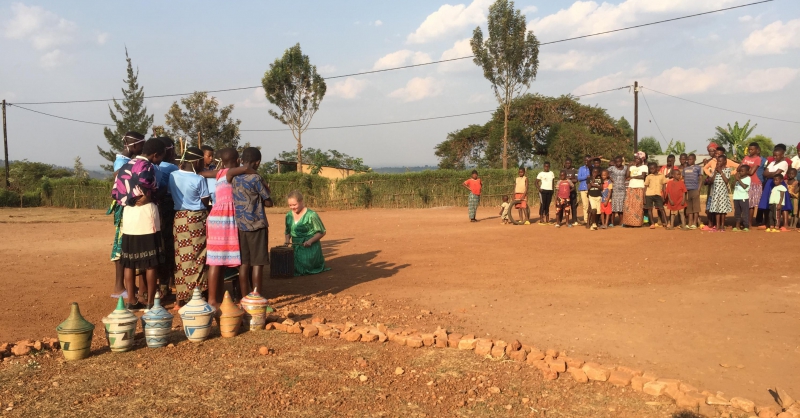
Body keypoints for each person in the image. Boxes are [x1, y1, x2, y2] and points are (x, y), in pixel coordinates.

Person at [111, 137, 166, 311]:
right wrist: (151, 196)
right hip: (146, 215)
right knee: (150, 261)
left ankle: (131, 301)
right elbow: (150, 189)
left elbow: (115, 192)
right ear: (155, 155)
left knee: (129, 261)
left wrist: (130, 200)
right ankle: (150, 302)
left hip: (129, 215)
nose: (161, 160)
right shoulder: (148, 167)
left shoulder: (124, 167)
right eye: (162, 156)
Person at [202, 148, 257, 306]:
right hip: (226, 218)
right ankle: (223, 299)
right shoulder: (231, 172)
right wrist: (258, 176)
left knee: (216, 260)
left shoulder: (219, 173)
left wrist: (198, 171)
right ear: (237, 159)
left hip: (215, 217)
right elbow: (247, 168)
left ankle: (215, 298)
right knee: (227, 259)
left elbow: (204, 173)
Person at [168, 147, 211, 306]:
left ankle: (182, 293)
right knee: (198, 256)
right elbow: (205, 201)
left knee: (181, 256)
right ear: (197, 161)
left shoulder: (172, 176)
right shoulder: (198, 179)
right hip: (196, 219)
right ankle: (196, 293)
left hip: (179, 218)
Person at [231, 147, 273, 295]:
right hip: (257, 225)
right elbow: (268, 202)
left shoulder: (235, 178)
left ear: (242, 160)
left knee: (244, 264)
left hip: (241, 226)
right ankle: (256, 298)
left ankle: (244, 298)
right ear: (257, 163)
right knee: (258, 264)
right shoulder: (256, 178)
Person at [107, 132, 145, 299]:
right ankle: (118, 286)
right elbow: (120, 177)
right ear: (135, 146)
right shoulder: (122, 162)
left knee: (125, 244)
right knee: (122, 243)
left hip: (125, 205)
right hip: (124, 208)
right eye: (142, 146)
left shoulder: (123, 160)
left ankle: (125, 285)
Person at [285, 190, 330, 276]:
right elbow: (287, 231)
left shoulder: (311, 215)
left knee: (302, 267)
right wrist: (287, 240)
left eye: (294, 205)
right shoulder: (288, 215)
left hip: (310, 247)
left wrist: (310, 241)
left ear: (301, 202)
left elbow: (322, 232)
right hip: (295, 247)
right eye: (290, 205)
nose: (292, 207)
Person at [156, 137, 179, 298]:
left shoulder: (154, 167)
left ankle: (163, 284)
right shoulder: (172, 167)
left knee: (161, 245)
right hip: (170, 208)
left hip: (156, 209)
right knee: (172, 245)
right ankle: (171, 282)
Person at [758, 144, 792, 231]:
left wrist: (770, 174)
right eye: (774, 155)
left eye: (777, 155)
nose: (775, 157)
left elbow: (777, 174)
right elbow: (764, 173)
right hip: (770, 184)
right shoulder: (772, 163)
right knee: (768, 203)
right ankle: (768, 223)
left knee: (783, 204)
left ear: (782, 155)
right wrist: (772, 174)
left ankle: (785, 224)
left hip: (779, 184)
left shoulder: (784, 163)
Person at [740, 143, 764, 228]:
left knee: (751, 205)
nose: (750, 151)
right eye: (749, 149)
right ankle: (744, 221)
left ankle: (749, 223)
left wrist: (744, 169)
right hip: (744, 182)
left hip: (754, 183)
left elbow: (751, 172)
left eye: (752, 149)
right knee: (743, 203)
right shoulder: (746, 158)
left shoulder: (758, 159)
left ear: (757, 150)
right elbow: (739, 168)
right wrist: (746, 168)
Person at [707, 154, 733, 232]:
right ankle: (717, 226)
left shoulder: (727, 170)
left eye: (720, 161)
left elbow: (726, 180)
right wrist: (715, 172)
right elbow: (711, 181)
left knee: (722, 211)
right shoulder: (715, 170)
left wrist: (721, 171)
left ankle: (722, 226)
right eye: (718, 161)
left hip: (723, 193)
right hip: (715, 193)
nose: (718, 162)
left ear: (725, 162)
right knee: (717, 210)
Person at [623, 152, 648, 227]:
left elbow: (642, 176)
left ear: (641, 160)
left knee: (637, 206)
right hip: (631, 187)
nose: (636, 160)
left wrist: (633, 177)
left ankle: (637, 223)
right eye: (635, 159)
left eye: (638, 159)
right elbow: (627, 176)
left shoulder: (644, 167)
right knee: (629, 205)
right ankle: (629, 222)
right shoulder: (632, 167)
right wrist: (628, 167)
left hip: (639, 187)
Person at [644, 162, 669, 229]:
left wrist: (664, 194)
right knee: (650, 209)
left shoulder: (662, 176)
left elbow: (664, 186)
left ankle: (666, 223)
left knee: (661, 208)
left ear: (657, 168)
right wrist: (644, 197)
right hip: (649, 194)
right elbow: (645, 187)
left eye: (653, 169)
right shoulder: (648, 177)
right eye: (650, 169)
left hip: (658, 194)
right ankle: (652, 223)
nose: (651, 170)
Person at [682, 153, 703, 229]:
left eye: (691, 159)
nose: (689, 161)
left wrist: (699, 189)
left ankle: (694, 223)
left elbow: (700, 179)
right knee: (689, 208)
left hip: (695, 189)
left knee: (696, 207)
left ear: (694, 160)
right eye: (688, 159)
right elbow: (683, 180)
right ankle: (690, 223)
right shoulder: (685, 169)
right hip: (687, 190)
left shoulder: (698, 168)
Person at [606, 156, 627, 227]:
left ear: (622, 161)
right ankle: (612, 222)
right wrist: (610, 178)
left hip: (622, 189)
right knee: (614, 206)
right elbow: (605, 173)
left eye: (619, 161)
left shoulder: (625, 168)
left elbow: (627, 175)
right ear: (615, 163)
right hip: (614, 189)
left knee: (621, 206)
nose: (618, 163)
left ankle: (622, 222)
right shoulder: (612, 168)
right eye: (617, 162)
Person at [732, 165, 751, 232]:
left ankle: (746, 226)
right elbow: (733, 186)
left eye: (742, 171)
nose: (740, 172)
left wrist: (739, 180)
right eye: (740, 171)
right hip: (736, 198)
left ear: (747, 172)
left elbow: (745, 187)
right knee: (737, 212)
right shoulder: (738, 178)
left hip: (743, 198)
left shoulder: (748, 178)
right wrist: (736, 180)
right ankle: (737, 225)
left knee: (745, 212)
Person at [563, 158, 579, 225]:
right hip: (564, 191)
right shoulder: (563, 170)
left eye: (569, 163)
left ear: (571, 163)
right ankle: (562, 220)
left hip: (572, 191)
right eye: (566, 163)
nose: (567, 164)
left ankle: (574, 220)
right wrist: (571, 179)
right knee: (564, 206)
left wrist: (568, 179)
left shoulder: (575, 171)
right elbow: (562, 180)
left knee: (573, 205)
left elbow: (576, 180)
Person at [577, 155, 592, 224]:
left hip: (591, 188)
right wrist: (586, 176)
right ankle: (586, 220)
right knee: (585, 205)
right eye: (585, 160)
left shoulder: (592, 167)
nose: (586, 162)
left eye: (588, 160)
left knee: (592, 204)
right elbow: (579, 178)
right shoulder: (581, 168)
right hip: (583, 188)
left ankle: (592, 219)